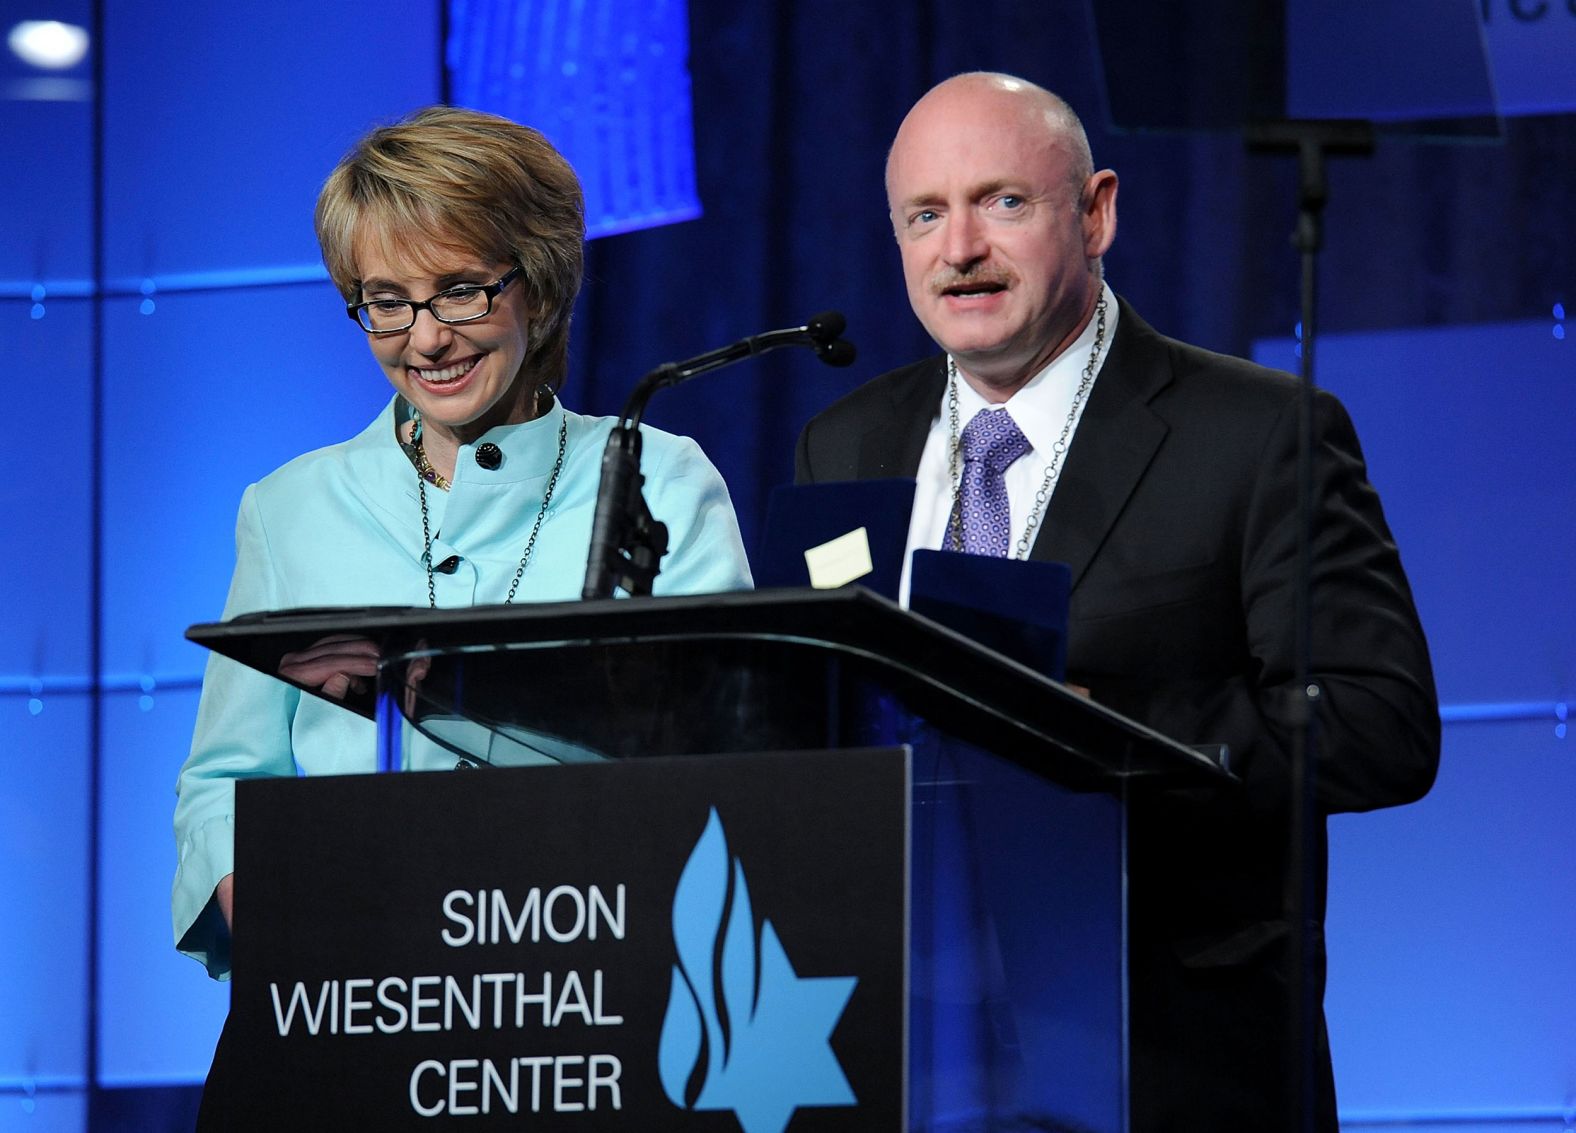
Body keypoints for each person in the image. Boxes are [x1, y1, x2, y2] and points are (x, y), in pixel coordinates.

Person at [796, 72, 1440, 1132]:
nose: (958, 248)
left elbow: (1378, 723)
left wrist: (1097, 726)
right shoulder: (842, 444)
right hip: (905, 1054)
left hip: (1168, 1062)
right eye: (924, 214)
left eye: (1002, 202)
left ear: (1095, 211)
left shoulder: (1255, 432)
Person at [173, 106, 752, 982]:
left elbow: (730, 761)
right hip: (345, 991)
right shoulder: (291, 507)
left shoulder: (657, 480)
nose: (428, 337)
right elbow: (225, 778)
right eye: (387, 303)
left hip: (585, 980)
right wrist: (285, 925)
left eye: (460, 289)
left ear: (544, 286)